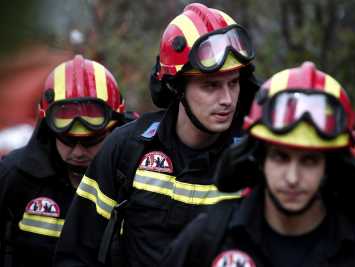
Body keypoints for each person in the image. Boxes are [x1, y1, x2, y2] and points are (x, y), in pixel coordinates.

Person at [54, 3, 259, 267]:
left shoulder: (253, 159)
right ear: (177, 87)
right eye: (211, 86)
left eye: (233, 83)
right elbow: (75, 254)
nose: (227, 100)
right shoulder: (127, 148)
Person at [160, 61, 355, 267]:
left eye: (309, 160)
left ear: (328, 166)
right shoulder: (211, 236)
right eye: (280, 157)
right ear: (260, 158)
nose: (292, 178)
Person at [0, 54, 133, 267]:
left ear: (114, 130)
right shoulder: (13, 175)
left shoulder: (139, 177)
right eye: (67, 140)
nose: (78, 152)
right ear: (49, 129)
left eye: (90, 141)